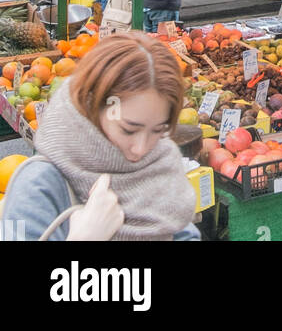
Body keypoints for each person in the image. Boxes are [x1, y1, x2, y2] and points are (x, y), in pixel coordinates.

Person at [1, 32, 200, 241]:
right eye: (129, 130)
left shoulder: (161, 167)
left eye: (157, 131)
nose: (141, 149)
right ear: (92, 106)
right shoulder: (38, 184)